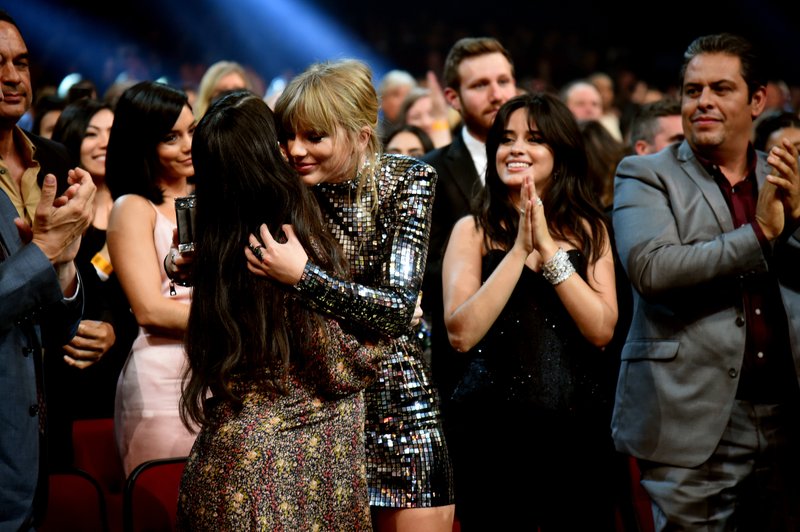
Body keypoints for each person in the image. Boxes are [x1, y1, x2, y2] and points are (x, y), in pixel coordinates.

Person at [244, 59, 455, 531]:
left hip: (399, 408)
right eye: (288, 137)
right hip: (315, 415)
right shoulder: (285, 191)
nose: (295, 150)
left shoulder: (407, 179)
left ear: (361, 135)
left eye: (314, 137)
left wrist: (301, 277)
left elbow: (398, 311)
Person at [611, 33, 800, 529]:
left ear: (757, 100)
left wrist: (796, 223)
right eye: (693, 91)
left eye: (721, 89)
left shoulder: (785, 176)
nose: (704, 103)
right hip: (690, 424)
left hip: (787, 417)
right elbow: (654, 270)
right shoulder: (644, 173)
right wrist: (759, 234)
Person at [177, 90, 384, 530]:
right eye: (283, 138)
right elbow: (339, 369)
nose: (295, 148)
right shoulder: (282, 247)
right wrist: (387, 331)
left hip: (227, 459)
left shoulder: (216, 237)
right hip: (278, 470)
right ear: (269, 153)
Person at [441, 93, 619, 530]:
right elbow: (461, 332)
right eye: (506, 139)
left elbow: (600, 329)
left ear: (560, 153)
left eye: (534, 139)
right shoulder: (472, 229)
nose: (516, 148)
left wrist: (549, 249)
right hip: (491, 436)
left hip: (577, 435)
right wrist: (519, 248)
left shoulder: (590, 229)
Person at [0, 9, 97, 530]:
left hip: (43, 430)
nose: (14, 77)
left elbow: (57, 317)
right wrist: (45, 251)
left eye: (21, 62)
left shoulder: (54, 159)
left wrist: (65, 274)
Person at [421, 35, 517, 428]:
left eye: (504, 81)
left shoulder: (551, 165)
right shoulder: (428, 172)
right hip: (463, 370)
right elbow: (421, 271)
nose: (497, 94)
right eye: (480, 85)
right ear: (453, 97)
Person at [105, 80, 198, 477]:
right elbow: (149, 308)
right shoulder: (132, 207)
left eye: (192, 131)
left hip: (220, 373)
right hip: (161, 384)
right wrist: (232, 322)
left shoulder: (213, 196)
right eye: (170, 137)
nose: (188, 145)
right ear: (144, 144)